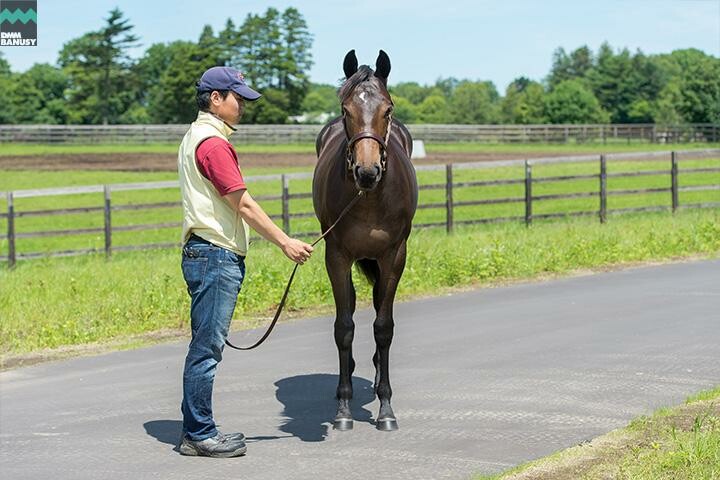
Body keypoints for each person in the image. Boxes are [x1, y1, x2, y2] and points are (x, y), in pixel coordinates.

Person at [177, 66, 313, 458]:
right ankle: (200, 434)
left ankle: (196, 429)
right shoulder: (213, 144)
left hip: (205, 253)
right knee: (207, 349)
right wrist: (285, 242)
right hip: (214, 254)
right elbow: (243, 203)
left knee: (205, 346)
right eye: (238, 97)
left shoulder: (195, 136)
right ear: (216, 99)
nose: (243, 105)